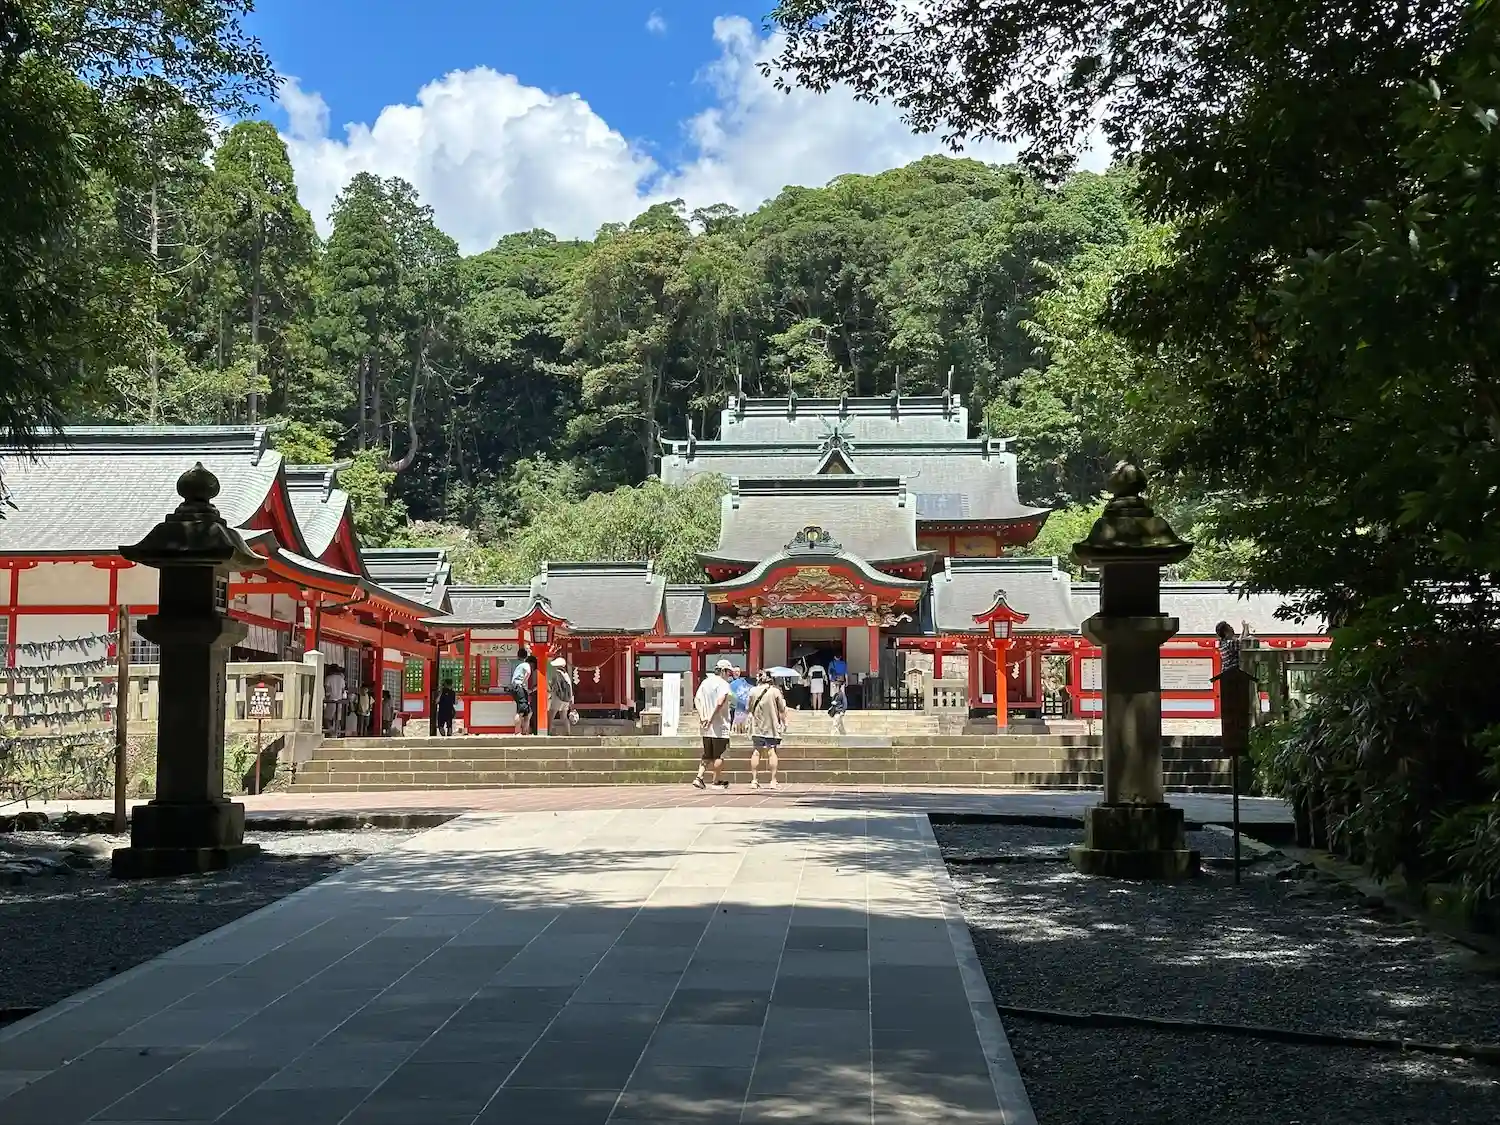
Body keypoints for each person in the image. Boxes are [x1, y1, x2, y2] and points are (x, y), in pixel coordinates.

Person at [691, 658, 735, 790]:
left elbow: (697, 699)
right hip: (719, 725)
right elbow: (720, 702)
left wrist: (702, 717)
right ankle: (716, 780)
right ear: (723, 671)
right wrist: (710, 719)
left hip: (705, 726)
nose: (729, 675)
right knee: (719, 755)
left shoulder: (705, 682)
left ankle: (699, 777)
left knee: (707, 753)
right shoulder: (723, 684)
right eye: (728, 672)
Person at [747, 669, 788, 790]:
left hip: (757, 725)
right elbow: (781, 709)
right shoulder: (775, 691)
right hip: (771, 725)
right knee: (771, 751)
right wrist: (785, 722)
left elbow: (748, 708)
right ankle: (773, 781)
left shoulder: (753, 691)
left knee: (756, 751)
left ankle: (754, 780)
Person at [548, 656, 575, 735]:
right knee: (564, 717)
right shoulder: (566, 674)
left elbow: (553, 686)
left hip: (558, 697)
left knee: (551, 716)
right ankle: (568, 732)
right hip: (566, 698)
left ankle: (548, 732)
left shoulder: (556, 673)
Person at [511, 649, 535, 734]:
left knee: (528, 711)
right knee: (521, 711)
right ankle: (517, 732)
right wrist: (524, 682)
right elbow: (528, 672)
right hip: (519, 686)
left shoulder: (515, 664)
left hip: (515, 687)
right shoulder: (525, 664)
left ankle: (525, 731)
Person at [728, 666, 753, 734]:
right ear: (732, 672)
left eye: (738, 671)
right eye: (735, 671)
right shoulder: (728, 682)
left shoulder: (743, 682)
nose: (737, 673)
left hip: (740, 705)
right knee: (731, 718)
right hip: (731, 705)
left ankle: (739, 731)